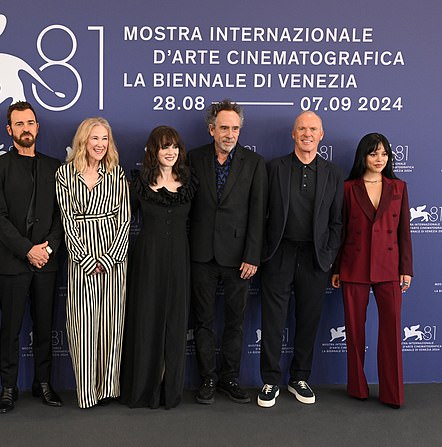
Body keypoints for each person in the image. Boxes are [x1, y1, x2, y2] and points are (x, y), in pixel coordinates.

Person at [258, 111, 343, 408]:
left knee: (308, 320)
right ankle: (270, 380)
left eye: (313, 129)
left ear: (321, 135)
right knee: (272, 320)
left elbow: (337, 222)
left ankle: (299, 378)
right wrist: (263, 252)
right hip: (279, 254)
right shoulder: (274, 168)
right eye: (302, 128)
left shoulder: (333, 172)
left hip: (315, 258)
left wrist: (329, 255)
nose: (307, 133)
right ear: (293, 134)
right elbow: (261, 214)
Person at [0, 101, 64, 413]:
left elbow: (63, 216)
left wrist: (46, 249)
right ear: (10, 130)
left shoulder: (55, 167)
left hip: (47, 262)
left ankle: (43, 383)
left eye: (30, 122)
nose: (26, 128)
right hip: (12, 263)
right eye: (19, 124)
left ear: (37, 127)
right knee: (11, 328)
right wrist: (26, 250)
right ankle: (8, 387)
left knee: (44, 326)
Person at [188, 100, 267, 405]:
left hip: (239, 258)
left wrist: (253, 255)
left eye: (235, 128)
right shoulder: (193, 158)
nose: (230, 134)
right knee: (204, 321)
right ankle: (207, 378)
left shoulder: (255, 163)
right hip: (201, 254)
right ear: (212, 129)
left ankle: (229, 378)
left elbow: (259, 214)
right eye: (224, 128)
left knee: (235, 322)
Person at [331, 133, 413, 409]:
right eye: (373, 154)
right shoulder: (347, 188)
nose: (379, 159)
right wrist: (336, 267)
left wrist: (406, 269)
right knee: (354, 332)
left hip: (390, 269)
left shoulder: (399, 187)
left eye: (384, 154)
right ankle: (358, 387)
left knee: (391, 330)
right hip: (353, 267)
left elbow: (404, 232)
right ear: (362, 156)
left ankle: (392, 393)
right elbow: (340, 232)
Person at [120, 126, 197, 409]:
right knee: (147, 321)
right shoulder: (138, 182)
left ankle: (169, 391)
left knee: (175, 323)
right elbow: (121, 222)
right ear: (154, 150)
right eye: (165, 146)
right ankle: (143, 390)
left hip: (179, 260)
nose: (170, 152)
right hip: (147, 260)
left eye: (174, 146)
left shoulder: (190, 182)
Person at [55, 117, 130, 409]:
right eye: (94, 138)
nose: (99, 144)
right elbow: (67, 220)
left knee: (112, 324)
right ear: (83, 140)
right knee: (83, 326)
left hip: (114, 259)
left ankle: (109, 387)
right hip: (81, 259)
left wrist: (109, 258)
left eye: (104, 139)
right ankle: (87, 392)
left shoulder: (117, 173)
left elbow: (124, 218)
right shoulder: (65, 173)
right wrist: (86, 259)